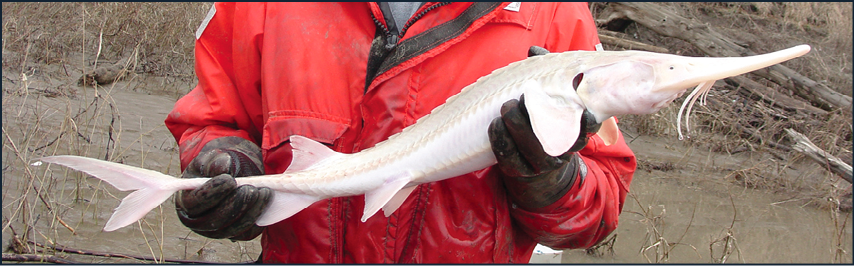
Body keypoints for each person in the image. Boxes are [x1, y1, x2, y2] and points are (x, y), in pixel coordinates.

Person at [165, 2, 636, 263]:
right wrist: (223, 163)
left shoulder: (554, 12)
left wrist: (550, 182)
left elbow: (600, 207)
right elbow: (209, 120)